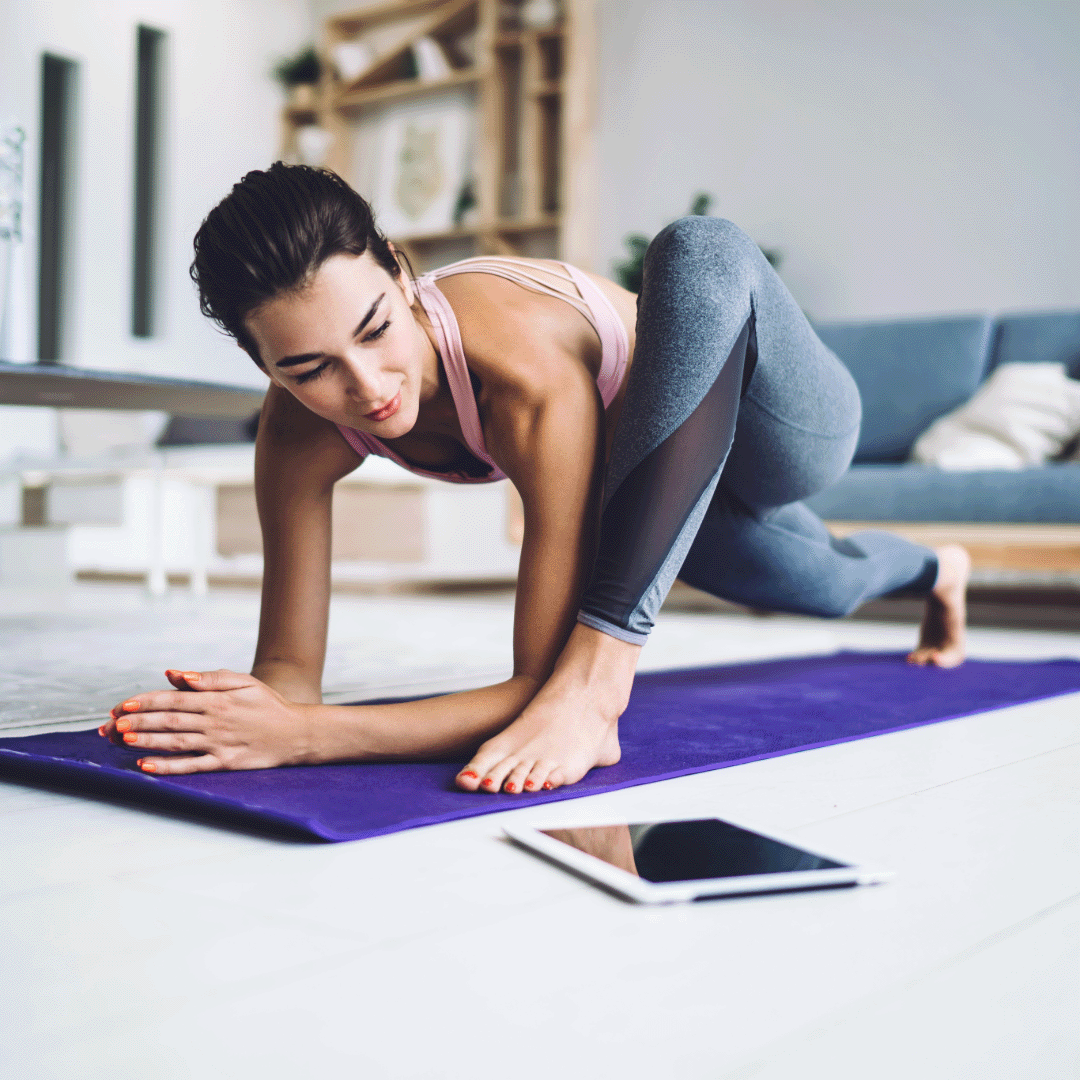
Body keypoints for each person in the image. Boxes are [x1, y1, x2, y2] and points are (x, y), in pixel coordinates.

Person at [100, 163, 970, 791]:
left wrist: (311, 741)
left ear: (401, 273)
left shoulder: (523, 378)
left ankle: (611, 672)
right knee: (817, 584)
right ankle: (942, 569)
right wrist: (244, 717)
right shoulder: (296, 435)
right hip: (657, 509)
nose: (366, 388)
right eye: (307, 367)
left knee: (700, 251)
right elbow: (290, 677)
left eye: (374, 329)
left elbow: (540, 690)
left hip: (782, 421)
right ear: (266, 366)